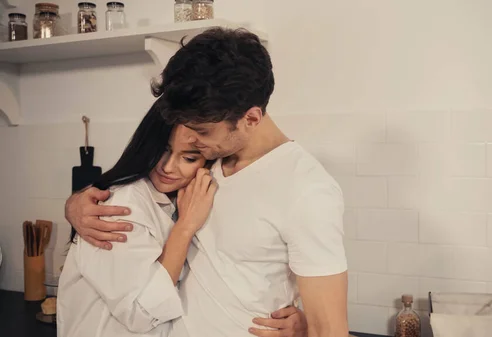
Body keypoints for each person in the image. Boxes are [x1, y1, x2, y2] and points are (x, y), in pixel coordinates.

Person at [65, 27, 348, 337]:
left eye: (200, 131)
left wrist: (305, 329)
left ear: (251, 119)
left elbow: (329, 329)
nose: (190, 139)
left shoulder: (306, 190)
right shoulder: (206, 163)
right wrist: (75, 204)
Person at [58, 100, 307, 337]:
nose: (167, 167)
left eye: (188, 158)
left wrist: (302, 322)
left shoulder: (188, 198)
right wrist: (185, 226)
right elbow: (141, 312)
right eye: (162, 150)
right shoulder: (122, 206)